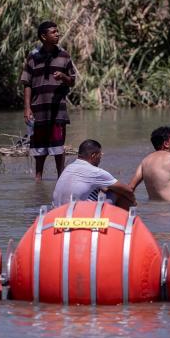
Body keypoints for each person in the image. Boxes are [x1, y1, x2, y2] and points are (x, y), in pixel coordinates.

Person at [20, 20, 78, 180]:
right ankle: (38, 180)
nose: (57, 34)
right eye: (53, 32)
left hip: (57, 109)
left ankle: (61, 178)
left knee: (58, 148)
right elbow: (27, 83)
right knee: (39, 149)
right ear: (43, 36)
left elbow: (72, 81)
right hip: (38, 109)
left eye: (57, 31)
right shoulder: (33, 57)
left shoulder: (64, 55)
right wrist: (27, 108)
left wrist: (64, 76)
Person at [52, 139, 137, 210]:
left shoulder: (68, 168)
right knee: (119, 192)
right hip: (79, 217)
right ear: (93, 155)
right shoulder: (95, 172)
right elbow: (127, 190)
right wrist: (133, 202)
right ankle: (124, 224)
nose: (100, 159)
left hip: (57, 213)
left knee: (107, 189)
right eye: (100, 155)